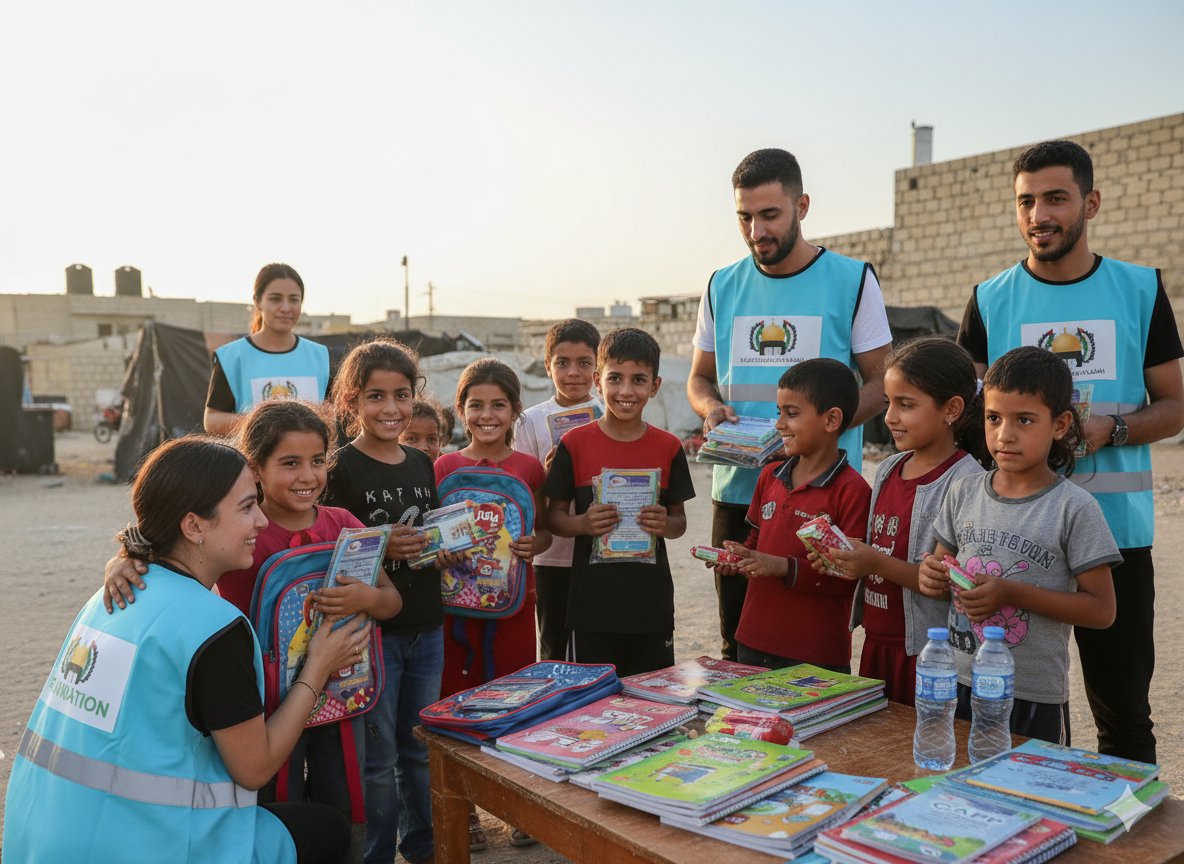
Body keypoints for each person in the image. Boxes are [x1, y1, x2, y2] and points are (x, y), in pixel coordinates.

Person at [4, 436, 369, 864]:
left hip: (40, 840)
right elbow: (255, 768)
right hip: (147, 847)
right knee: (329, 830)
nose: (261, 521)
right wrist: (319, 665)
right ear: (194, 526)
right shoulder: (214, 630)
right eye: (247, 507)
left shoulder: (109, 596)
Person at [956, 139, 1184, 762]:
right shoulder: (990, 298)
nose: (1039, 215)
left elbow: (1175, 404)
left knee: (1124, 721)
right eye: (1026, 201)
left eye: (1056, 198)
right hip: (1013, 541)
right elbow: (965, 418)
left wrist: (1115, 429)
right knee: (1011, 712)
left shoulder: (1140, 289)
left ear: (1091, 202)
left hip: (1116, 538)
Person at [103, 400, 404, 863]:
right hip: (261, 706)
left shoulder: (343, 525)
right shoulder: (238, 531)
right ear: (255, 469)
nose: (308, 475)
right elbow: (170, 556)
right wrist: (123, 561)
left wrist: (365, 598)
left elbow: (391, 601)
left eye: (318, 461)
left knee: (345, 796)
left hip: (342, 694)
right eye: (290, 463)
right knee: (276, 795)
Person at [687, 148, 893, 661]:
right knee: (738, 646)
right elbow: (699, 379)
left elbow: (882, 381)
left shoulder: (852, 279)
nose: (756, 230)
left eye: (770, 215)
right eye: (744, 217)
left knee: (811, 644)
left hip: (822, 496)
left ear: (801, 206)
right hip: (739, 492)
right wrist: (710, 409)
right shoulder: (721, 284)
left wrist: (816, 436)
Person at [918, 346, 1121, 744]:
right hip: (960, 682)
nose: (1004, 434)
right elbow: (940, 571)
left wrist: (1011, 593)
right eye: (994, 418)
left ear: (1060, 424)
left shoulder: (1074, 509)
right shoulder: (963, 492)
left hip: (1031, 696)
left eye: (1024, 420)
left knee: (1027, 781)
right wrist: (932, 576)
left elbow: (1102, 610)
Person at [323, 338, 457, 864]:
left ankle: (423, 847)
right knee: (377, 760)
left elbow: (428, 534)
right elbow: (330, 546)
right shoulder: (339, 468)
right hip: (371, 635)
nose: (391, 408)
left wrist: (443, 550)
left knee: (420, 746)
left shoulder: (422, 463)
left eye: (401, 395)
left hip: (428, 625)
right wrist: (383, 545)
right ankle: (376, 855)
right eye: (375, 396)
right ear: (351, 401)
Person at [813, 338, 986, 704]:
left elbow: (946, 584)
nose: (890, 416)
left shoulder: (967, 481)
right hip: (878, 641)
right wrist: (840, 556)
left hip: (931, 651)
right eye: (889, 402)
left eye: (906, 405)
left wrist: (874, 562)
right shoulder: (889, 468)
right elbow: (876, 548)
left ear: (952, 409)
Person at [435, 357, 551, 850]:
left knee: (517, 701)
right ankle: (464, 811)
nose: (487, 415)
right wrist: (439, 552)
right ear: (461, 409)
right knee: (456, 703)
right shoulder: (443, 466)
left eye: (498, 405)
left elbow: (543, 530)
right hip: (456, 611)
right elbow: (434, 535)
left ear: (515, 410)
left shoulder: (530, 468)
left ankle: (518, 807)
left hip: (513, 607)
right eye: (476, 405)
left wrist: (533, 544)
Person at [546, 327, 695, 677]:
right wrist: (583, 524)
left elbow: (679, 523)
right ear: (598, 382)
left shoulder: (669, 447)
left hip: (651, 607)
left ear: (655, 386)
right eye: (615, 378)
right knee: (594, 701)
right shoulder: (574, 443)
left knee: (652, 697)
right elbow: (554, 518)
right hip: (591, 608)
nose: (626, 391)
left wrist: (665, 524)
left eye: (639, 380)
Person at [715, 358, 870, 672]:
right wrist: (741, 558)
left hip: (815, 650)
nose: (779, 425)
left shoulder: (853, 491)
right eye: (779, 412)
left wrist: (781, 566)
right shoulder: (769, 476)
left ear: (831, 420)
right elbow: (757, 541)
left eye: (792, 413)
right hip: (753, 638)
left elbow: (847, 578)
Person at [514, 318, 603, 661]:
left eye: (584, 363)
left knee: (598, 645)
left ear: (598, 366)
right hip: (552, 556)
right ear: (547, 365)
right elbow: (523, 489)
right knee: (554, 645)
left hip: (602, 551)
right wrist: (548, 474)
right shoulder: (530, 420)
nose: (574, 373)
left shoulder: (609, 411)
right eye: (562, 363)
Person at [205, 263, 331, 435]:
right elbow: (212, 420)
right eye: (275, 299)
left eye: (294, 299)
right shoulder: (231, 357)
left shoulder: (320, 356)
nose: (286, 308)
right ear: (257, 302)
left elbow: (334, 416)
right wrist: (267, 423)